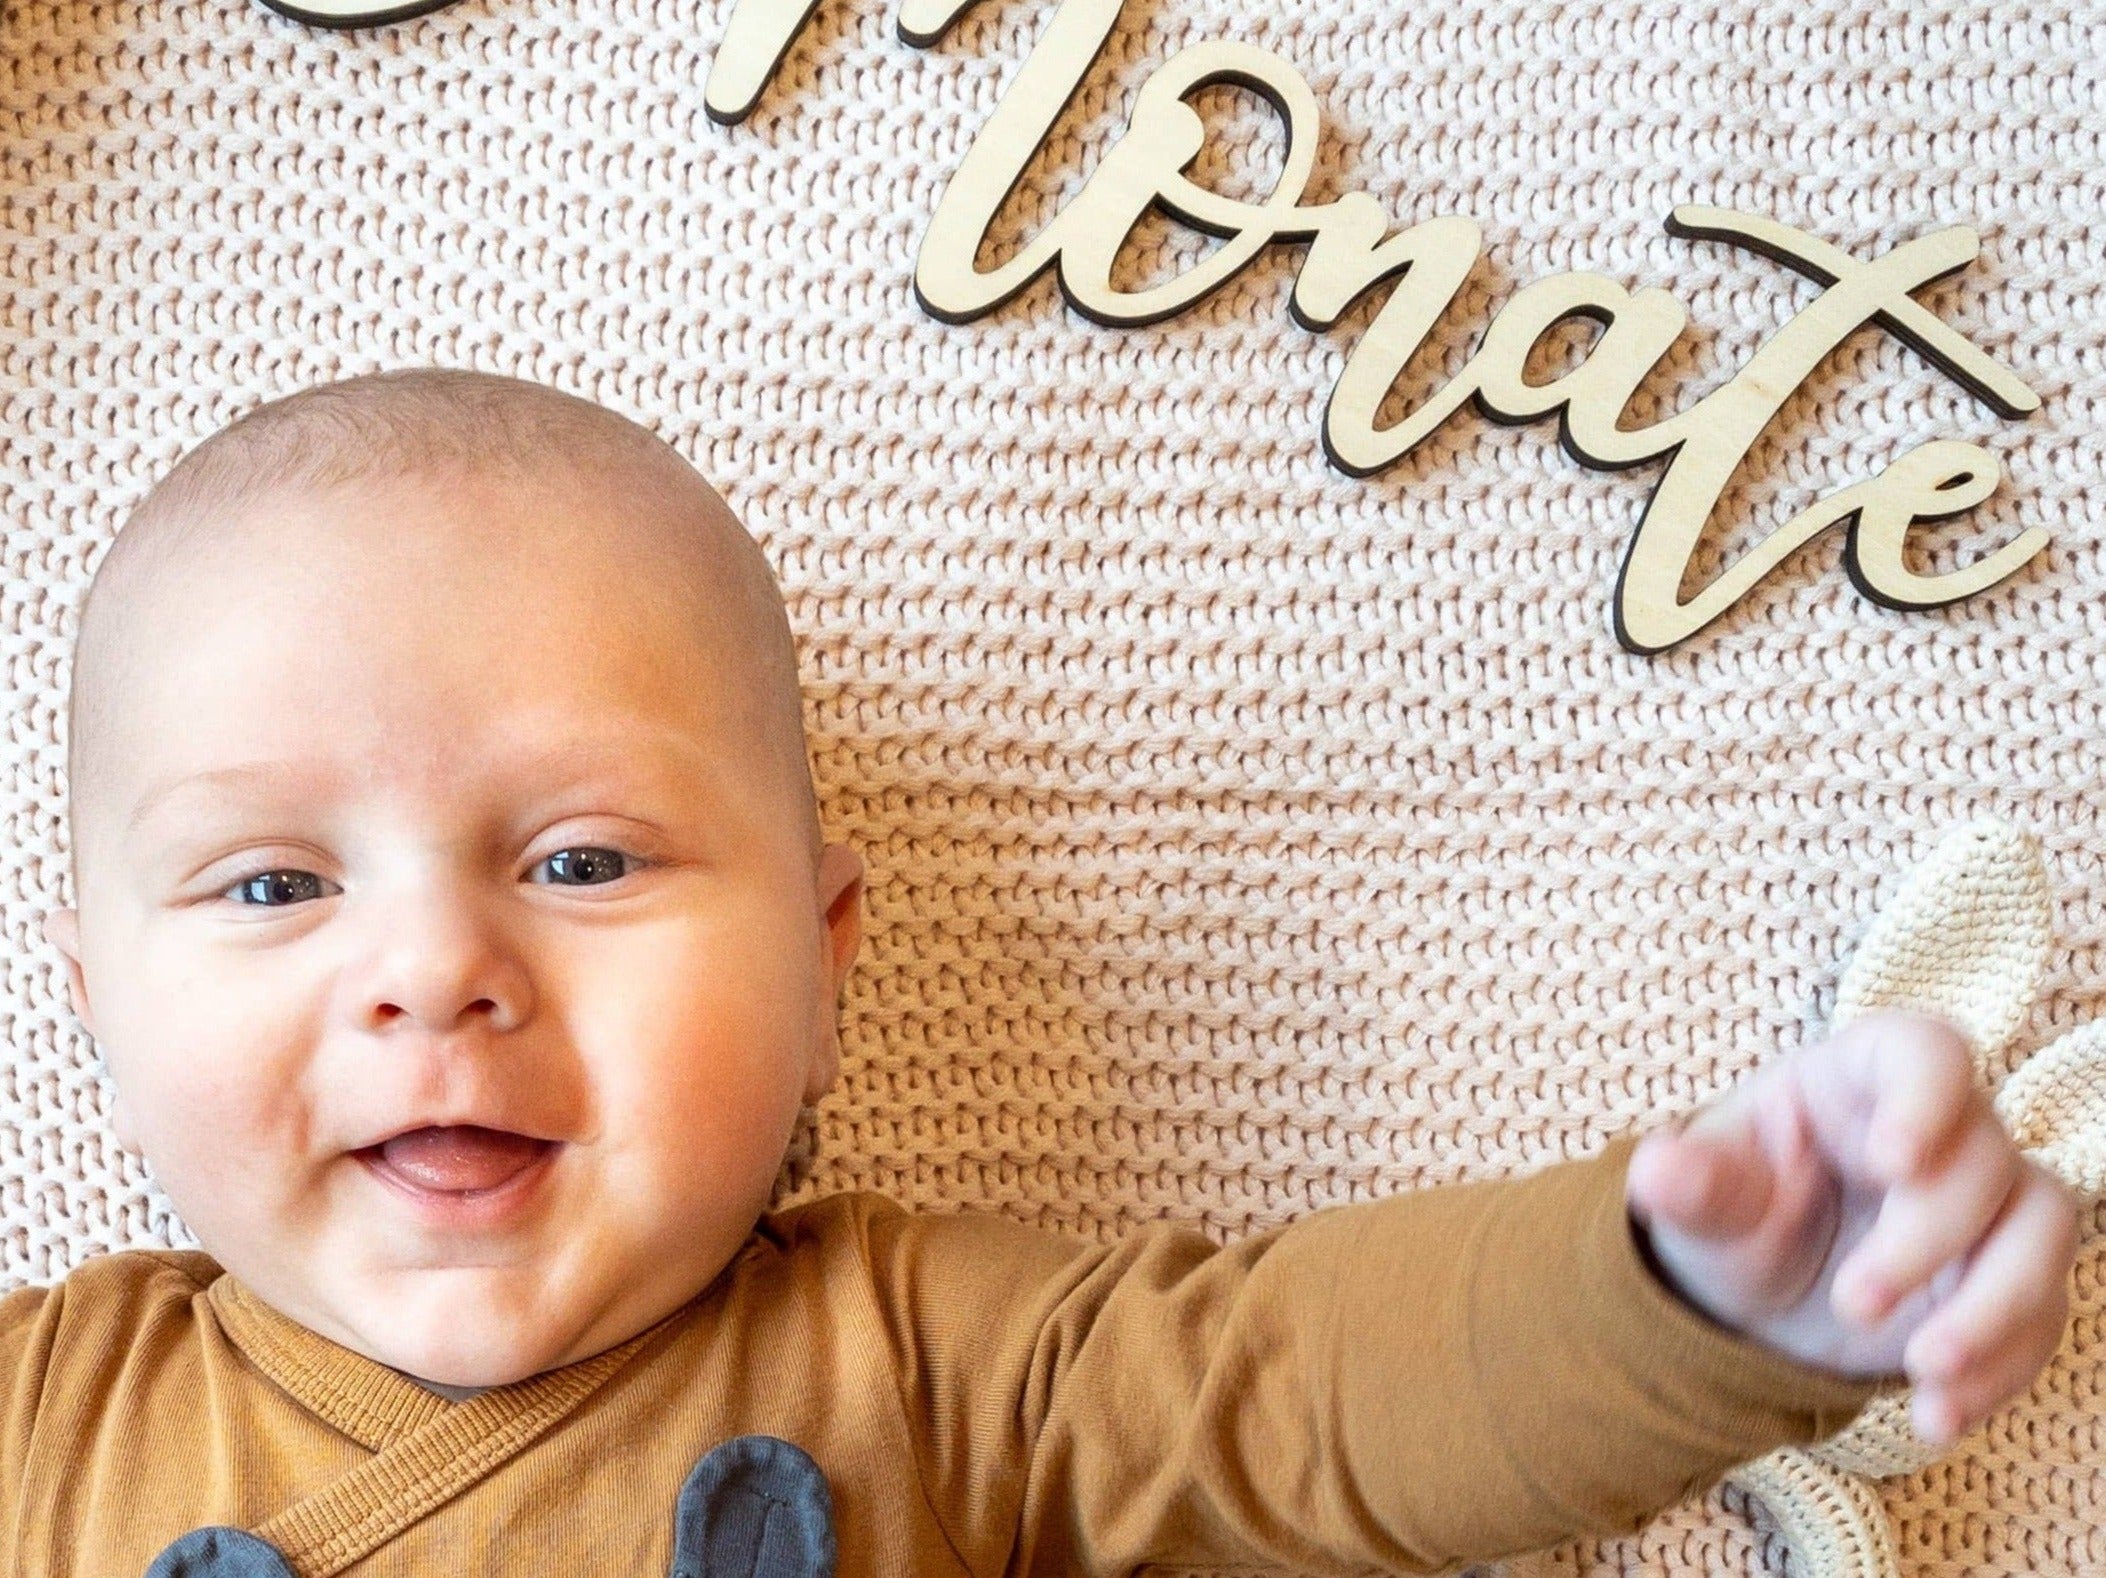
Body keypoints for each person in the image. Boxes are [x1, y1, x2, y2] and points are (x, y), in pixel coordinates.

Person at [8, 369, 2077, 1578]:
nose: (437, 970)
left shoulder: (920, 1357)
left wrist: (1692, 1293)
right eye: (274, 888)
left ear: (822, 967)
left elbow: (1305, 1392)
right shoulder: (48, 1422)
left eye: (581, 857)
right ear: (97, 1001)